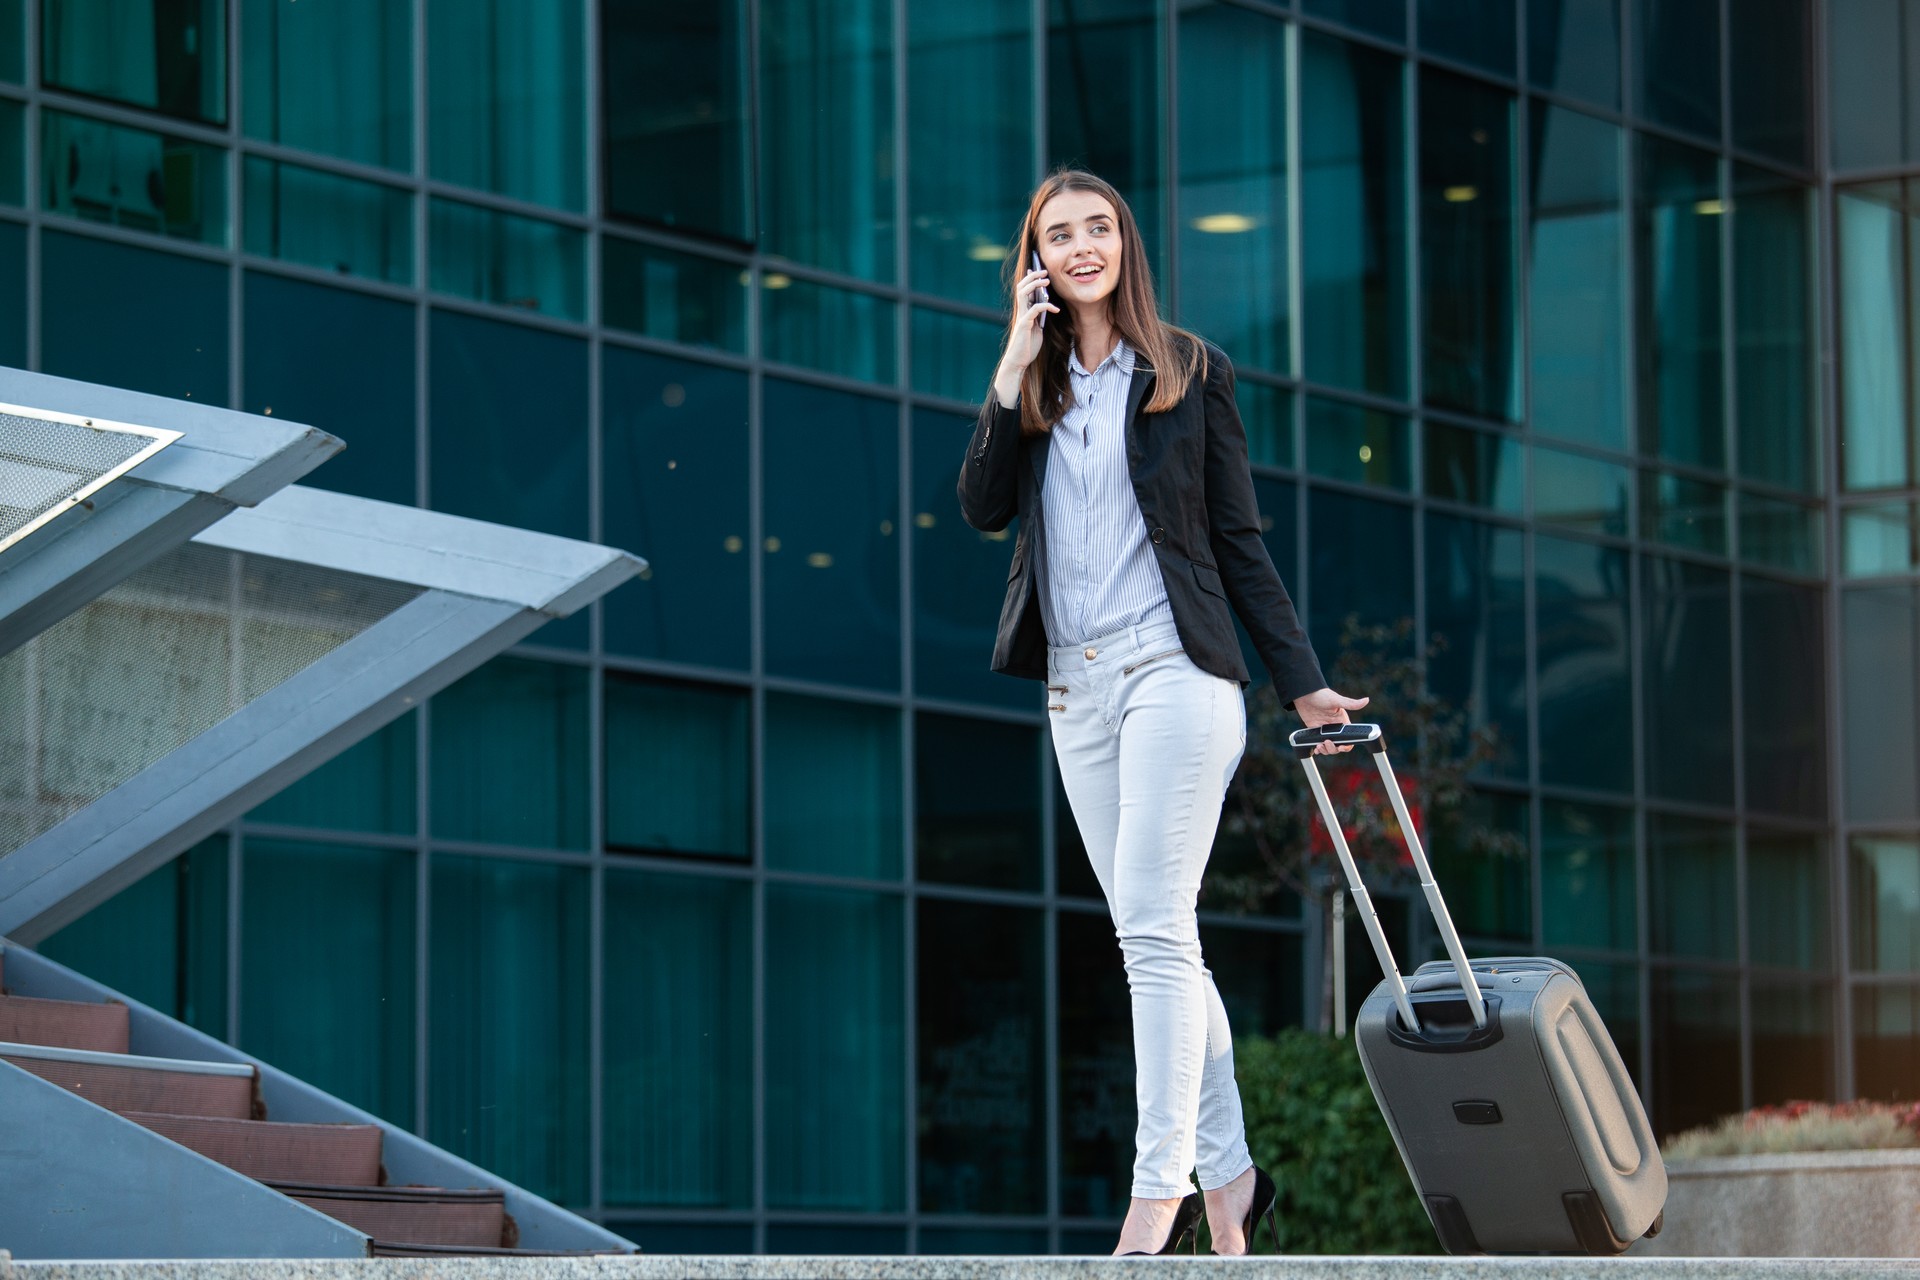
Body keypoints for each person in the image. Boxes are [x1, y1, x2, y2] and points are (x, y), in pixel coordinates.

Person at [956, 169, 1367, 1257]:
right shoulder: (1035, 391)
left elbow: (1238, 540)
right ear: (1036, 261)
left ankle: (1159, 1195)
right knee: (1162, 932)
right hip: (1074, 688)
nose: (1083, 247)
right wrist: (1010, 362)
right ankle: (1232, 1181)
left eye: (1099, 228)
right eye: (1059, 234)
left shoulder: (1188, 372)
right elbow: (981, 506)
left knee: (1148, 931)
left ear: (1125, 244)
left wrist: (1302, 677)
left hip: (1176, 673)